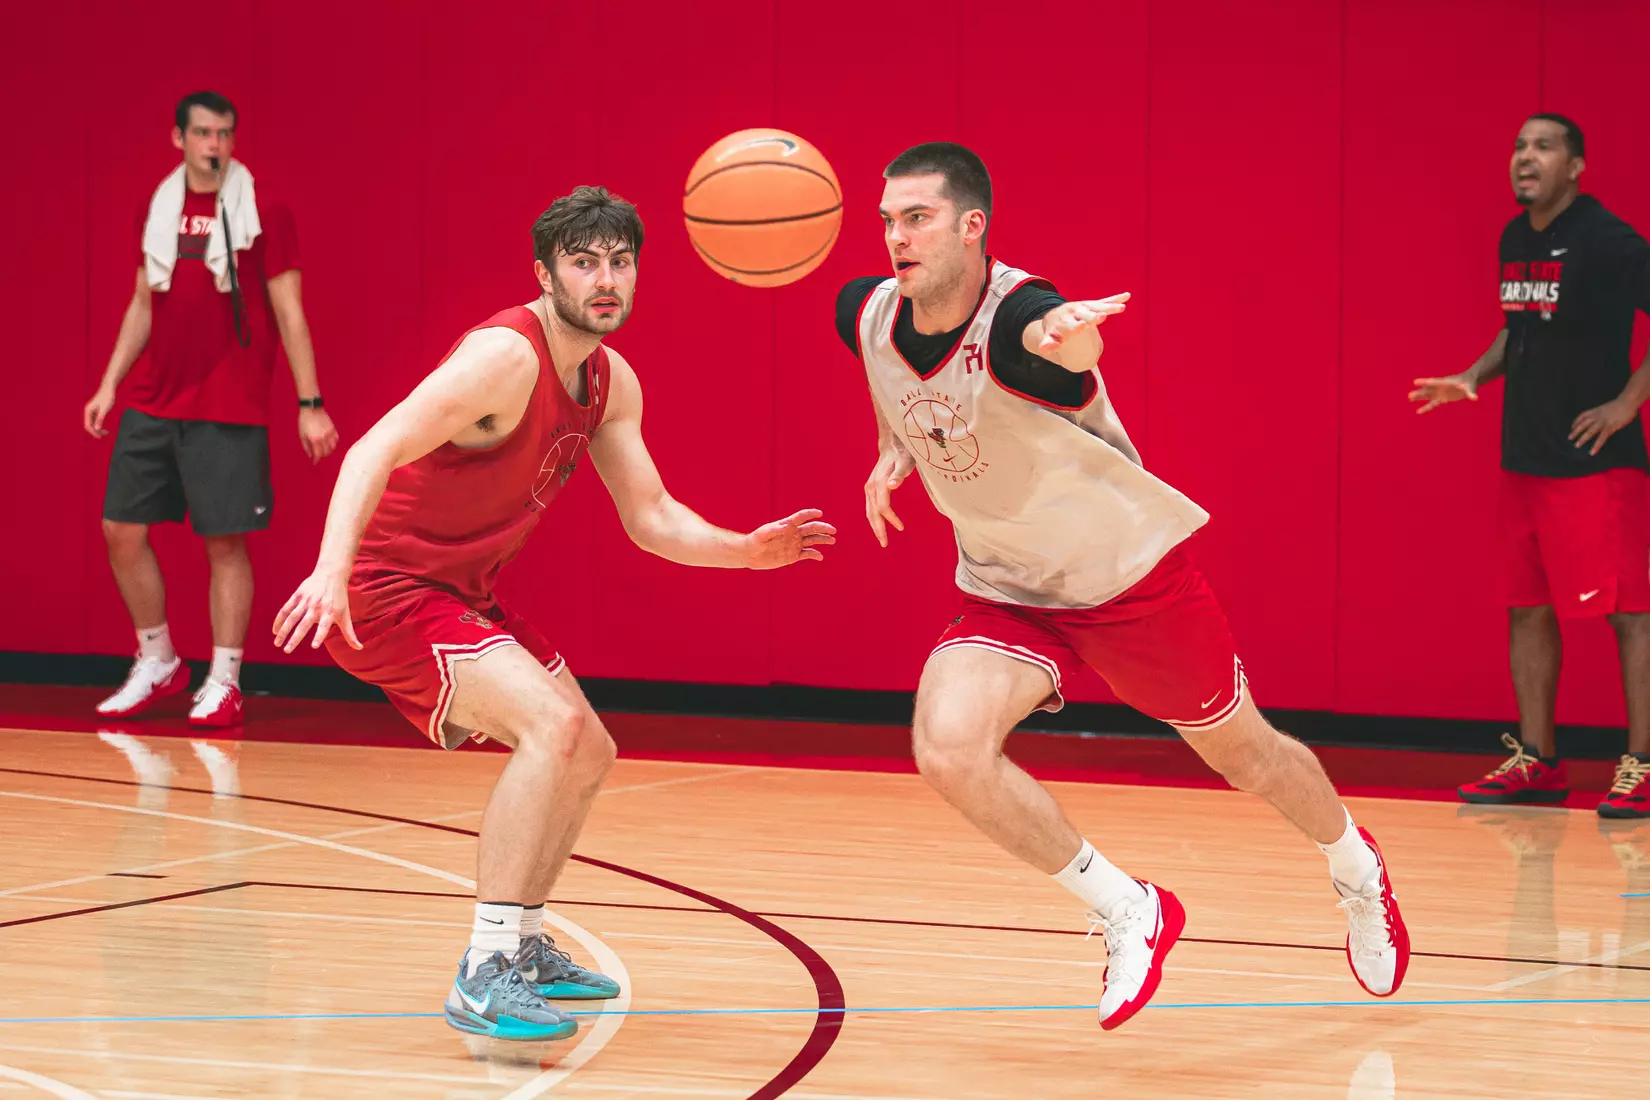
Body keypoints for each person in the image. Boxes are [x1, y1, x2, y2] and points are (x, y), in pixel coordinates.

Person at [836, 142, 1409, 1030]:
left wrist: (1076, 337)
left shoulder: (1022, 320)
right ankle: (1128, 907)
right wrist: (892, 449)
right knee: (947, 749)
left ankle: (1355, 868)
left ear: (972, 226)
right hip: (1006, 586)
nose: (895, 238)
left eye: (917, 219)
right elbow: (890, 373)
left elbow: (1057, 346)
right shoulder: (867, 313)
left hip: (1125, 583)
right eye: (887, 221)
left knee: (1245, 754)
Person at [272, 186, 834, 1041]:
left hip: (461, 595)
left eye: (620, 261)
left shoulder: (609, 380)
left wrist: (742, 550)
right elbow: (374, 447)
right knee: (552, 729)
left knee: (591, 747)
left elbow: (650, 517)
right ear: (545, 273)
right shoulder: (506, 357)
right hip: (389, 592)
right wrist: (329, 571)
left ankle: (528, 945)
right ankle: (485, 967)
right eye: (584, 262)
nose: (605, 279)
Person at [1411, 114, 1650, 819]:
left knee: (1631, 615)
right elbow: (1518, 324)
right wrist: (1475, 376)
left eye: (1543, 147)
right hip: (1526, 459)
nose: (1526, 157)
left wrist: (1628, 403)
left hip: (1598, 465)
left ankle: (1642, 763)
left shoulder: (1609, 241)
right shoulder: (1516, 238)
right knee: (1527, 609)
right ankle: (1539, 762)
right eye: (1519, 145)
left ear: (1575, 166)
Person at [84, 90, 339, 728]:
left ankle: (224, 679)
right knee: (121, 528)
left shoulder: (264, 209)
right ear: (179, 138)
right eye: (202, 134)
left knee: (223, 543)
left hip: (229, 403)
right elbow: (144, 301)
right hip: (155, 399)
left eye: (224, 134)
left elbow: (289, 311)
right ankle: (158, 659)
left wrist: (311, 404)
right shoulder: (160, 205)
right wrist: (110, 383)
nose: (214, 145)